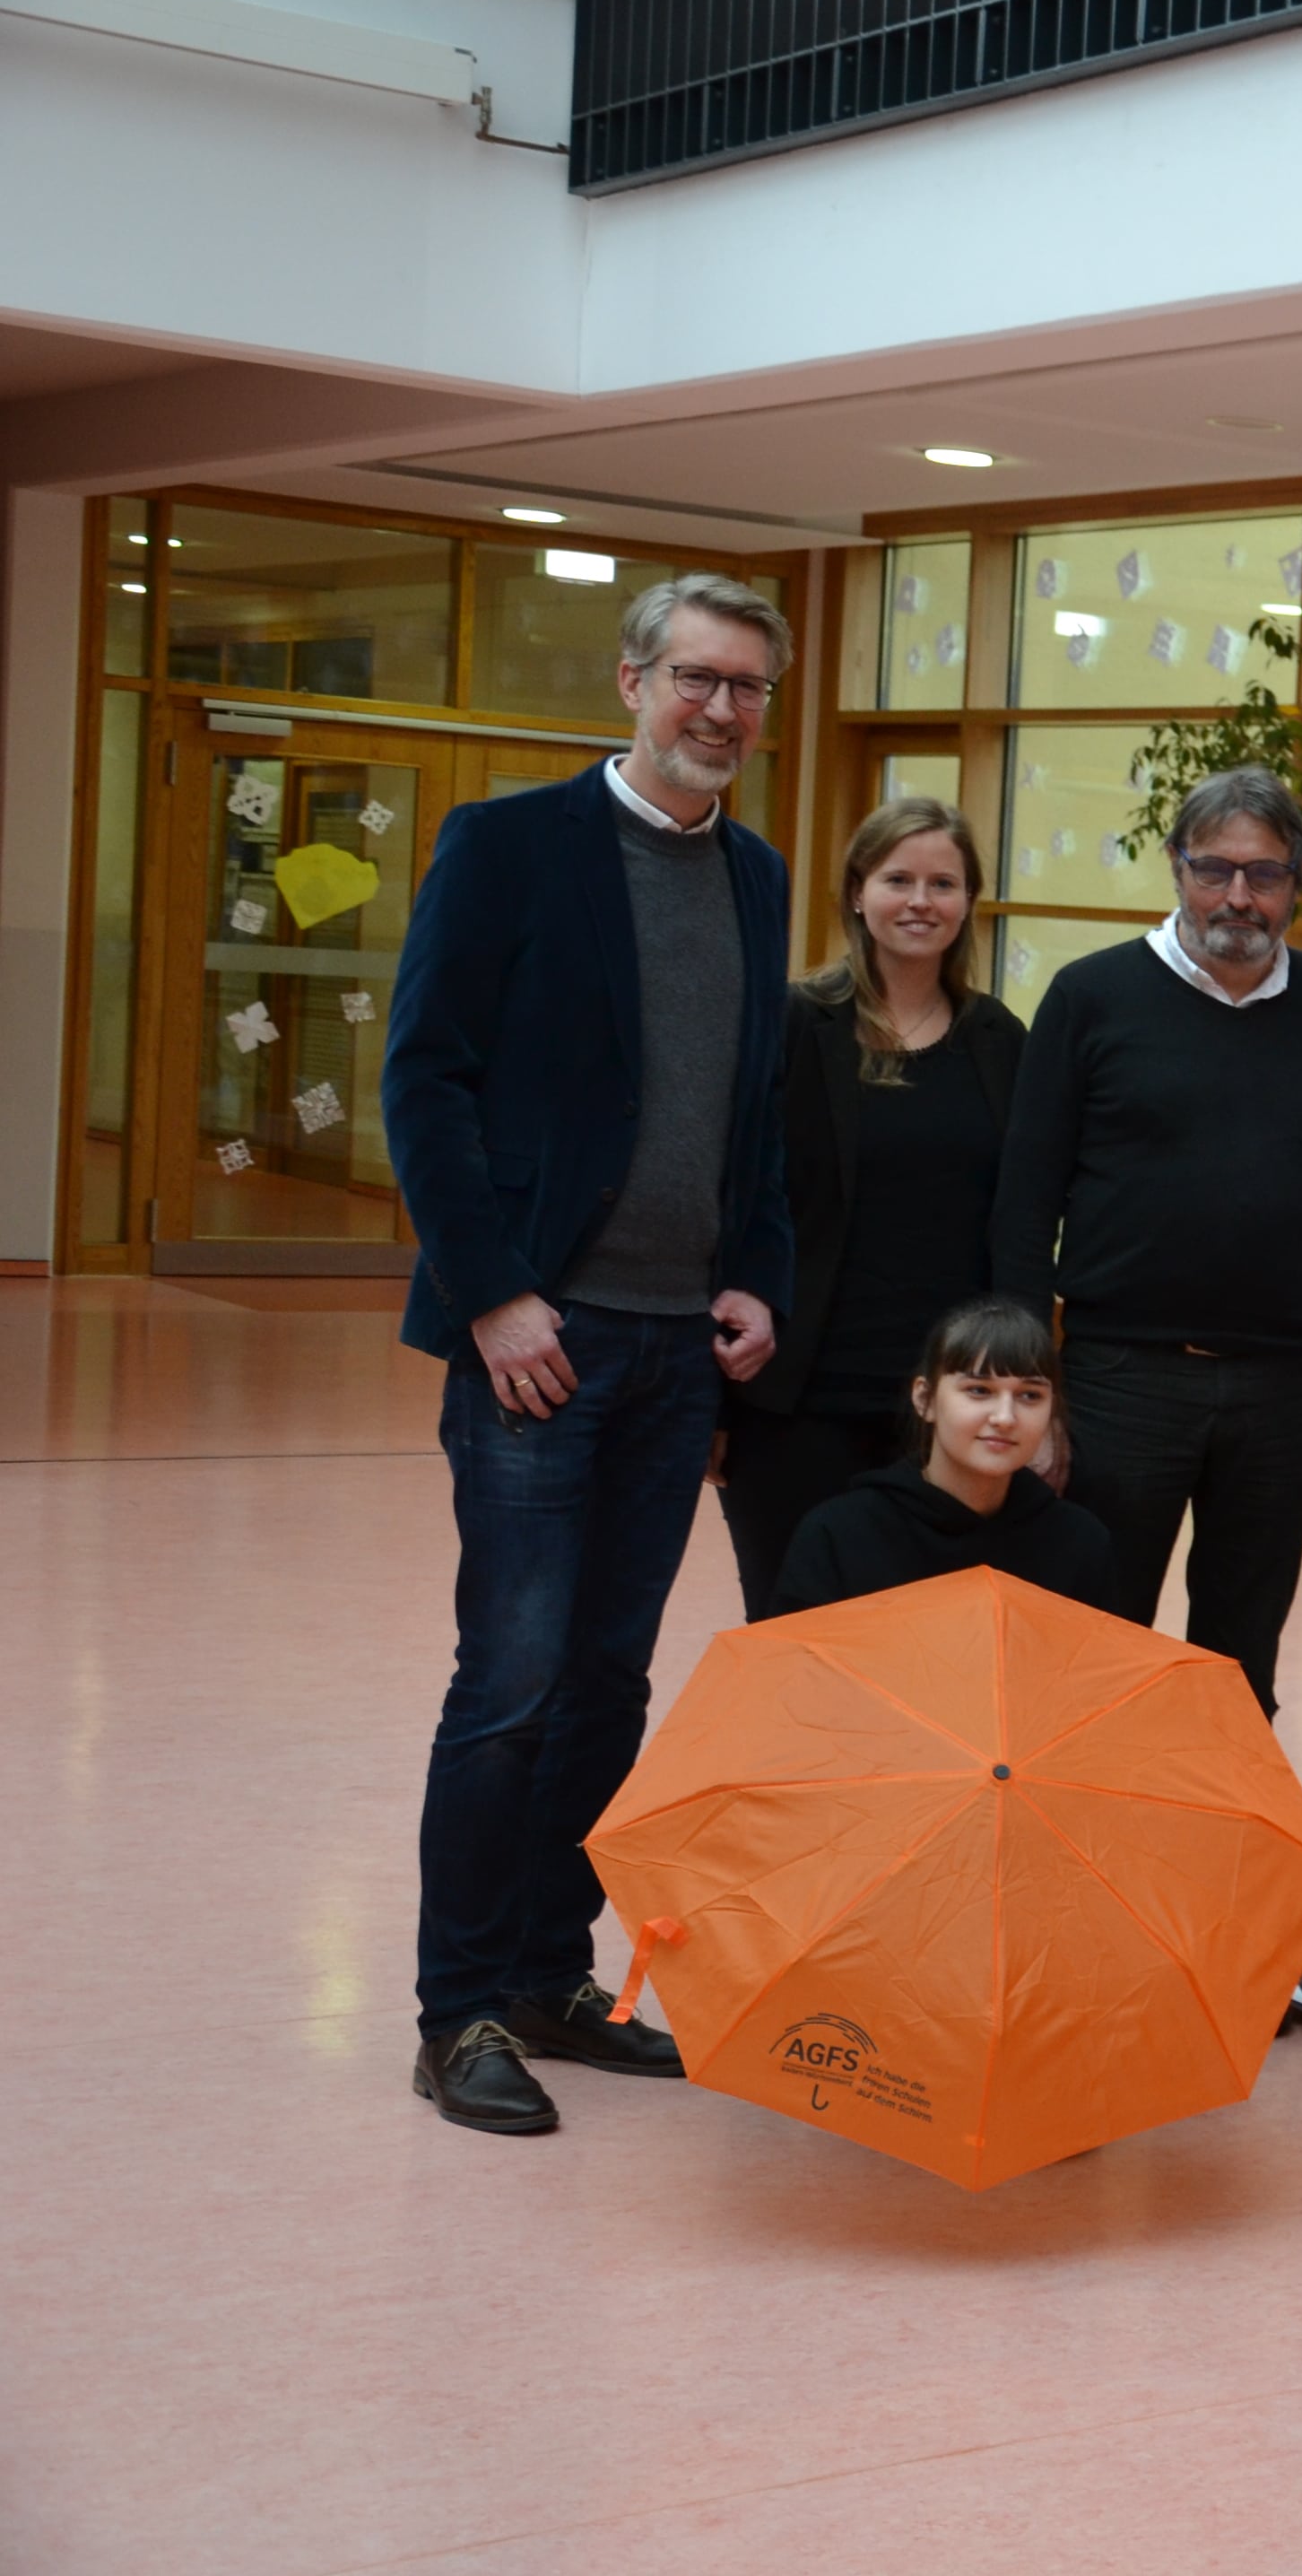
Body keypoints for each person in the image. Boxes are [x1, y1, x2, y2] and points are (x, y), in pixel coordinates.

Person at [378, 573, 798, 2137]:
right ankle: (459, 2005)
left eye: (748, 689)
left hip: (675, 1351)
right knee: (512, 1677)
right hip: (535, 1345)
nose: (720, 711)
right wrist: (491, 1293)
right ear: (632, 682)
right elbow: (423, 1080)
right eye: (697, 678)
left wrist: (756, 1280)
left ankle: (553, 1972)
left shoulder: (753, 879)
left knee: (610, 1684)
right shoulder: (507, 846)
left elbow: (748, 1119)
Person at [993, 766, 1302, 1719]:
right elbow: (1025, 1200)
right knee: (1093, 1646)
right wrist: (1033, 1384)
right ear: (1175, 867)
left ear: (1298, 882)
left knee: (1240, 1663)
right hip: (1123, 1380)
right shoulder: (1090, 998)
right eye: (1215, 869)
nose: (1238, 896)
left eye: (1266, 874)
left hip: (1281, 1390)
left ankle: (1221, 1862)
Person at [720, 797, 1026, 1618]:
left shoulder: (1000, 1041)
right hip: (798, 1401)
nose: (921, 901)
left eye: (943, 883)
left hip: (943, 1408)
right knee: (798, 1640)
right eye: (899, 879)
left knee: (929, 1649)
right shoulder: (795, 1022)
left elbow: (1017, 1217)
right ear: (858, 892)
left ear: (968, 903)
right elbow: (742, 1189)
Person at [769, 1296, 1118, 1613]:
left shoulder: (1079, 1541)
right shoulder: (840, 1533)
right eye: (979, 1390)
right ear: (924, 1399)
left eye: (1030, 1396)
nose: (1005, 1418)